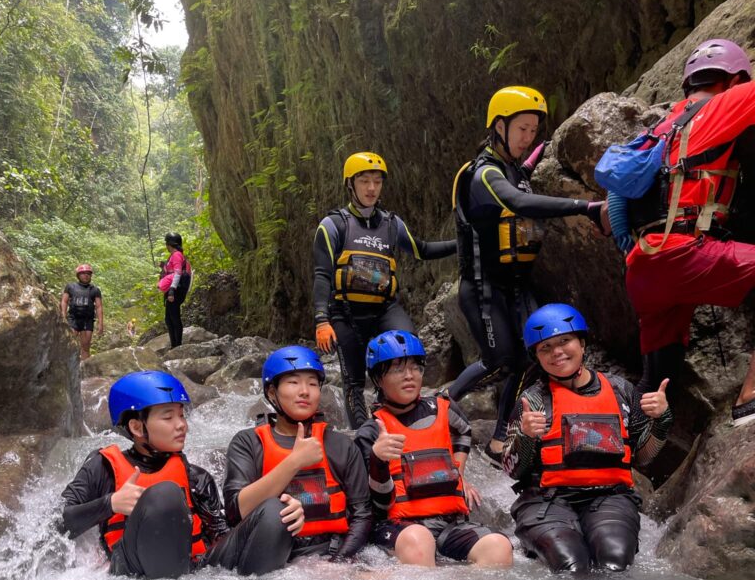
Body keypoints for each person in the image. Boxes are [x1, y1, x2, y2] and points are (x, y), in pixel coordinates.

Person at [447, 86, 607, 465]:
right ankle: (440, 405)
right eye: (521, 128)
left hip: (516, 287)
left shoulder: (514, 169)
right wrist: (585, 206)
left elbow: (523, 175)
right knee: (500, 361)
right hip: (484, 288)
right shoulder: (483, 173)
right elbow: (516, 201)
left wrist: (540, 150)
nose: (527, 137)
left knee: (534, 356)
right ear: (498, 127)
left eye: (533, 129)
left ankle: (501, 438)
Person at [607, 38, 755, 427]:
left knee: (658, 376)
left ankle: (627, 448)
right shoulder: (730, 101)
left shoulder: (664, 124)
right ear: (735, 77)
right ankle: (750, 398)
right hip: (686, 253)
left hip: (643, 265)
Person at [61, 370, 297, 579]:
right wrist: (110, 503)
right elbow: (57, 525)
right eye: (168, 417)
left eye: (181, 415)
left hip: (195, 572)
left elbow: (222, 534)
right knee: (166, 494)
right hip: (133, 570)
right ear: (136, 427)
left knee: (277, 511)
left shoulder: (197, 478)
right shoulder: (101, 468)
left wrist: (284, 516)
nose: (181, 425)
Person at [503, 304, 672, 575]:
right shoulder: (532, 401)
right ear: (536, 356)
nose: (557, 352)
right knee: (571, 565)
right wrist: (525, 436)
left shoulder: (621, 391)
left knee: (613, 561)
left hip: (610, 496)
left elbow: (643, 457)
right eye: (545, 348)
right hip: (545, 501)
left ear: (582, 344)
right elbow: (513, 470)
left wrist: (662, 419)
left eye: (564, 341)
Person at [313, 151, 457, 429]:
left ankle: (397, 420)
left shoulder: (392, 224)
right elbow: (322, 274)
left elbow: (423, 250)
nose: (371, 188)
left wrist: (461, 242)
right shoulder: (332, 226)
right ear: (350, 184)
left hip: (384, 309)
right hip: (345, 312)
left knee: (407, 348)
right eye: (364, 181)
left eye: (377, 182)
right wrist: (322, 319)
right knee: (354, 380)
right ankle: (364, 439)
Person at [355, 330, 513, 569]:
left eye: (415, 368)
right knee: (420, 542)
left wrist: (458, 472)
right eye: (398, 369)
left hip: (449, 524)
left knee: (499, 548)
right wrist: (378, 459)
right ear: (378, 379)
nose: (409, 376)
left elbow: (464, 430)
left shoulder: (442, 407)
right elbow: (379, 505)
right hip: (401, 528)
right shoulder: (371, 432)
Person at [223, 346, 372, 568]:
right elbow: (235, 513)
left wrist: (339, 563)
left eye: (312, 383)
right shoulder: (248, 443)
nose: (305, 391)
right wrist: (294, 462)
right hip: (269, 558)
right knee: (273, 508)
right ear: (272, 392)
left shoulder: (340, 445)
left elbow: (362, 515)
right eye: (293, 382)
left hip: (329, 556)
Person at [60, 263, 103, 360]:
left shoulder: (95, 290)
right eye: (83, 273)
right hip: (73, 319)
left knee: (85, 347)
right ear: (78, 275)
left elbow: (99, 306)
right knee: (69, 345)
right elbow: (64, 301)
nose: (86, 275)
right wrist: (63, 314)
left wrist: (101, 324)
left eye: (88, 273)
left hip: (87, 321)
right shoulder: (70, 287)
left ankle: (85, 369)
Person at [158, 232, 192, 348]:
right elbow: (173, 271)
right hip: (173, 288)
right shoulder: (174, 255)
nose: (166, 246)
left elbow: (177, 273)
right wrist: (164, 266)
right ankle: (174, 345)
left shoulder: (176, 255)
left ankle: (178, 345)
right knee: (168, 318)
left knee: (174, 317)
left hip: (175, 289)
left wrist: (172, 289)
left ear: (170, 244)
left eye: (167, 243)